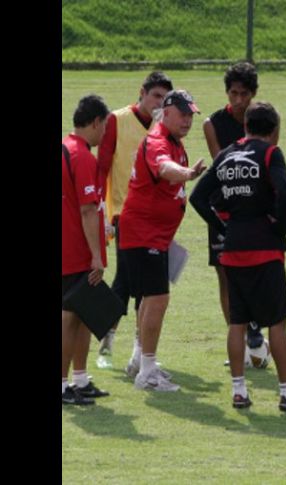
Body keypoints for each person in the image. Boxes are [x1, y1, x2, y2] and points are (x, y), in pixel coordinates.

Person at [191, 102, 286, 411]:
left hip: (233, 248)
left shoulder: (224, 155)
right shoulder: (270, 153)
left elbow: (197, 197)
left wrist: (222, 227)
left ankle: (239, 391)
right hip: (264, 247)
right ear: (274, 130)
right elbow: (285, 191)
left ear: (245, 125)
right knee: (276, 321)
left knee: (237, 321)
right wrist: (282, 227)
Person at [119, 90, 206, 391]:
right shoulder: (157, 140)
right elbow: (164, 169)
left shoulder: (173, 142)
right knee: (157, 298)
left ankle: (139, 361)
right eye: (182, 114)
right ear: (166, 112)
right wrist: (187, 173)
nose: (187, 120)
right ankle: (147, 372)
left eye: (190, 114)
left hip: (150, 233)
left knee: (148, 298)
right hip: (144, 233)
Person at [95, 71, 173, 369]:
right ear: (142, 92)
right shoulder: (117, 120)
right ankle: (129, 349)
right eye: (155, 96)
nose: (158, 104)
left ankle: (113, 340)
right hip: (122, 215)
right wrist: (103, 210)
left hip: (153, 219)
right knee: (134, 283)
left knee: (130, 282)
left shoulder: (164, 128)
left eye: (164, 100)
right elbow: (102, 167)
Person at [201, 61, 268, 368]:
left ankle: (254, 327)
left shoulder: (266, 120)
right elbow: (221, 167)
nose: (238, 100)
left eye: (243, 94)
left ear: (253, 94)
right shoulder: (212, 124)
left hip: (253, 211)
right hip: (222, 209)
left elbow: (267, 161)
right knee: (225, 276)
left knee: (255, 275)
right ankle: (238, 339)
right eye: (232, 93)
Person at [62, 94, 111, 405]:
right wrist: (96, 254)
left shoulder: (65, 148)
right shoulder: (82, 156)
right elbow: (87, 210)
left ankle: (79, 378)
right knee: (69, 318)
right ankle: (63, 383)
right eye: (104, 126)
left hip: (70, 247)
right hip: (76, 251)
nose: (105, 133)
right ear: (95, 122)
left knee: (82, 314)